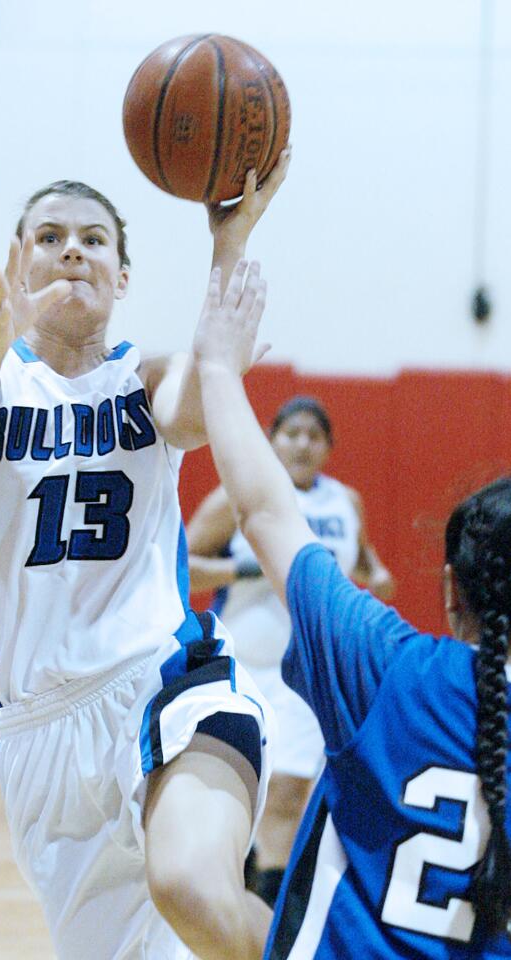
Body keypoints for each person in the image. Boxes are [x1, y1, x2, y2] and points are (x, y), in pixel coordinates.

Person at [0, 158, 289, 960]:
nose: (73, 252)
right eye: (49, 239)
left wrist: (230, 242)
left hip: (162, 680)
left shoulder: (143, 378)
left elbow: (199, 405)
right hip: (41, 734)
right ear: (18, 263)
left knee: (197, 892)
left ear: (122, 277)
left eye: (93, 241)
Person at [192, 258, 511, 958]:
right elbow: (200, 549)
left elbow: (268, 511)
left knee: (191, 871)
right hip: (252, 658)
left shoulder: (386, 665)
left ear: (452, 588)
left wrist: (217, 370)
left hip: (314, 668)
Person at [187, 395, 395, 905]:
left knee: (287, 793)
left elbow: (366, 566)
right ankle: (230, 887)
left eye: (314, 435)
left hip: (308, 671)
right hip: (243, 668)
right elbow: (180, 565)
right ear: (271, 436)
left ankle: (267, 910)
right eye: (292, 432)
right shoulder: (236, 496)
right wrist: (249, 569)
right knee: (237, 791)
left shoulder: (344, 502)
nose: (302, 443)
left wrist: (378, 578)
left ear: (328, 448)